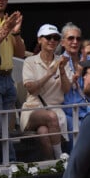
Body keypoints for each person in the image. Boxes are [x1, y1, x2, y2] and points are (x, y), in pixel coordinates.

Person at [20, 24, 72, 160]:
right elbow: (31, 88)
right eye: (48, 37)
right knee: (51, 117)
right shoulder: (30, 61)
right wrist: (50, 73)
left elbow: (66, 90)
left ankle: (51, 167)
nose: (52, 40)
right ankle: (60, 157)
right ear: (39, 40)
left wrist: (61, 70)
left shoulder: (62, 61)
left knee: (43, 132)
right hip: (32, 110)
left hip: (54, 109)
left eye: (55, 37)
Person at [0, 0, 25, 164]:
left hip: (8, 79)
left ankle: (4, 165)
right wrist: (6, 29)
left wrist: (15, 32)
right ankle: (9, 164)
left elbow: (20, 54)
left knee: (6, 131)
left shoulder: (7, 20)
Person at [60, 22, 90, 151]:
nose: (75, 41)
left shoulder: (88, 60)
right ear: (62, 42)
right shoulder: (59, 61)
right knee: (76, 129)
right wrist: (77, 74)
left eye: (78, 38)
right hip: (68, 110)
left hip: (88, 107)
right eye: (70, 38)